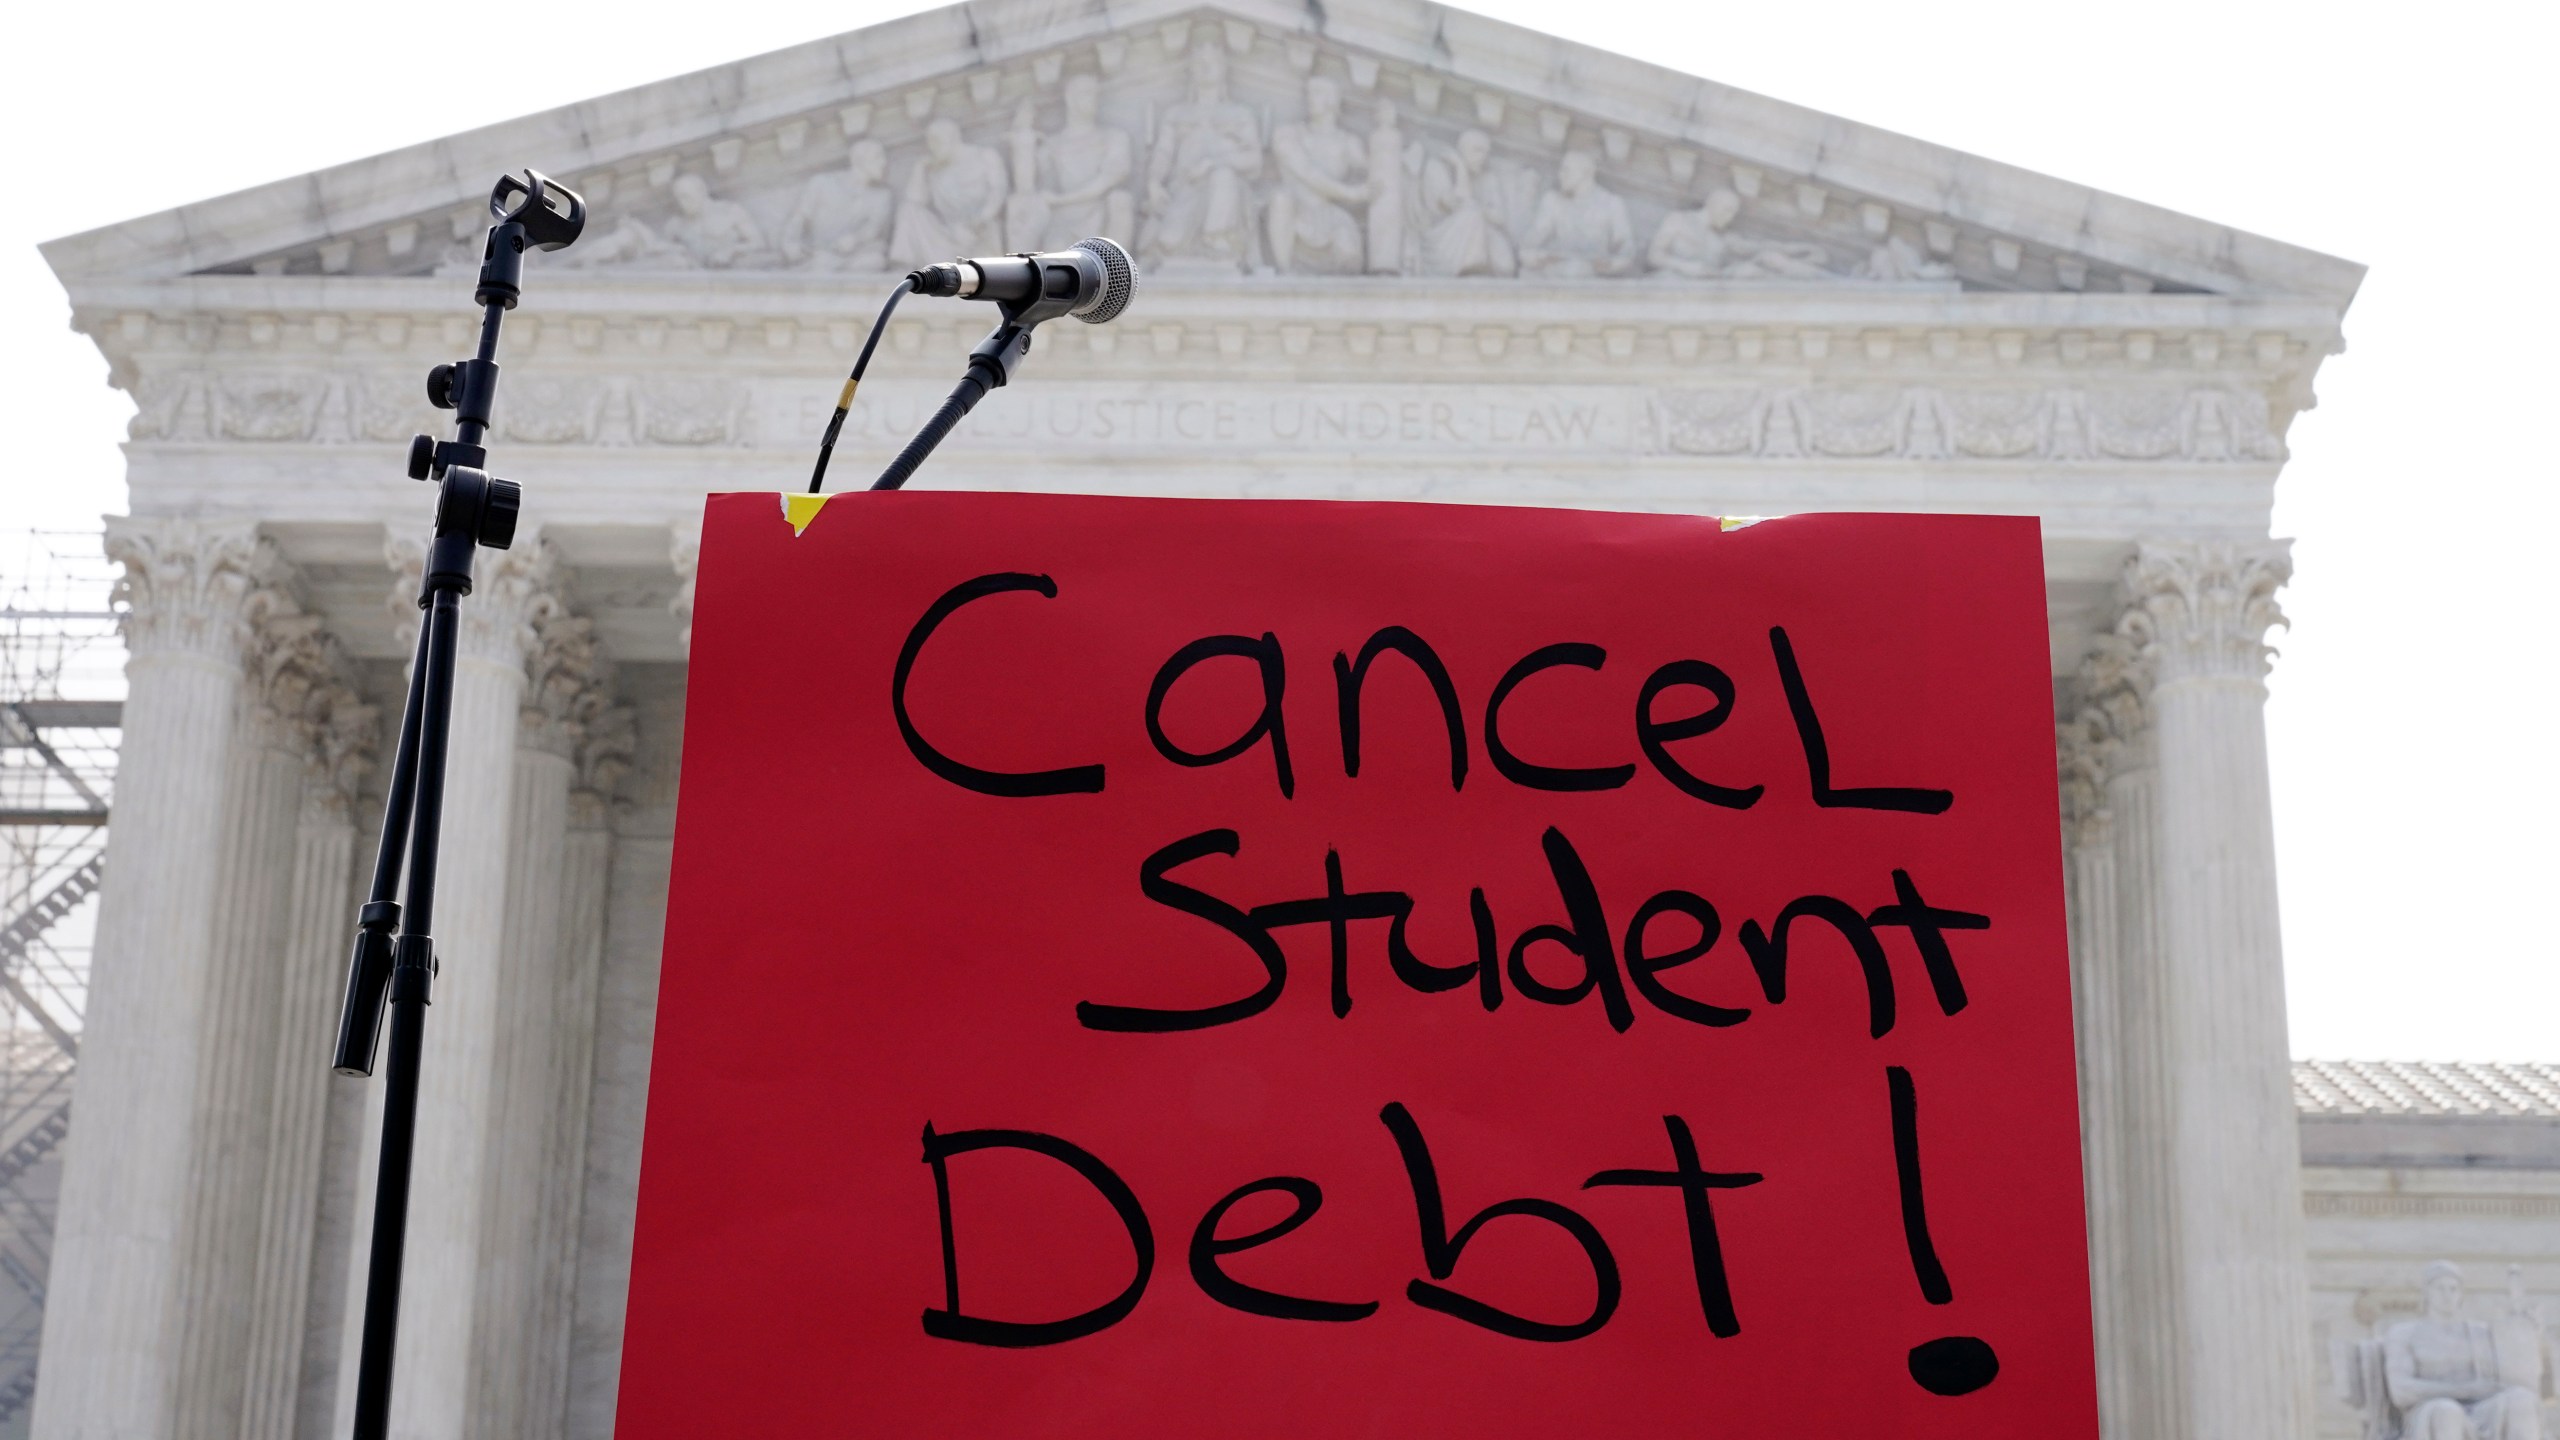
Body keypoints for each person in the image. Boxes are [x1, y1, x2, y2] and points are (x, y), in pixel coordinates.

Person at [1143, 43, 1263, 270]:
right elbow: (1163, 153)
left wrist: (1213, 164)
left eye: (1213, 62)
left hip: (1228, 196)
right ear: (1191, 70)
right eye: (1199, 63)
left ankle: (1217, 236)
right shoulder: (1177, 114)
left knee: (1223, 176)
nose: (1206, 67)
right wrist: (1154, 183)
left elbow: (1254, 161)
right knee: (1170, 241)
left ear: (1224, 69)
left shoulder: (1239, 114)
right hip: (1184, 189)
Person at [1004, 75, 1135, 252]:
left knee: (1121, 199)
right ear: (1070, 99)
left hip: (1098, 212)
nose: (1094, 99)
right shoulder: (1051, 146)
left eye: (1096, 94)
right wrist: (1024, 134)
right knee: (1056, 250)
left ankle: (1118, 271)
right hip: (1062, 221)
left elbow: (1106, 182)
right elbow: (1029, 190)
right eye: (1087, 93)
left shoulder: (1113, 138)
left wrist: (1061, 200)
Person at [891, 119, 1009, 267]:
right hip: (947, 235)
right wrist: (920, 169)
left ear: (952, 137)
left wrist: (981, 219)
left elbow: (998, 192)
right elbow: (914, 202)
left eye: (936, 141)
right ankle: (903, 271)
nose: (932, 147)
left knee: (984, 233)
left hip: (978, 233)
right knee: (908, 210)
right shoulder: (935, 172)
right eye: (930, 142)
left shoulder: (984, 156)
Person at [781, 140, 894, 272]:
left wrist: (855, 240)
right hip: (819, 255)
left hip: (858, 257)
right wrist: (790, 243)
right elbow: (800, 217)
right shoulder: (822, 183)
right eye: (878, 157)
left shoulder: (882, 196)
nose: (884, 163)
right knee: (819, 267)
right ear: (858, 160)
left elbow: (874, 228)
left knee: (874, 262)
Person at [1518, 151, 1633, 278]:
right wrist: (1543, 257)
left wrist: (1608, 264)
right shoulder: (1552, 201)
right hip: (1556, 276)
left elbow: (1626, 250)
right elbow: (1528, 246)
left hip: (1595, 281)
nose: (1560, 175)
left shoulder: (1611, 204)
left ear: (1586, 173)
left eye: (1566, 170)